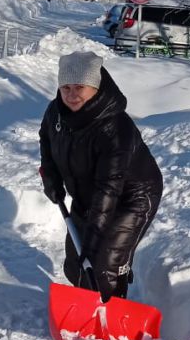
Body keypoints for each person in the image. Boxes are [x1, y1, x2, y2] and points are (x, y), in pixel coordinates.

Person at [39, 51, 163, 301]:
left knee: (103, 264)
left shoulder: (115, 128)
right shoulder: (56, 113)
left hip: (131, 198)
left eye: (80, 87)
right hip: (88, 193)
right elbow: (46, 140)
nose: (72, 95)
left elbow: (109, 190)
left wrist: (92, 245)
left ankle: (113, 311)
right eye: (66, 87)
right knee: (75, 264)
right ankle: (88, 305)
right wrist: (50, 178)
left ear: (94, 86)